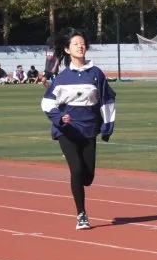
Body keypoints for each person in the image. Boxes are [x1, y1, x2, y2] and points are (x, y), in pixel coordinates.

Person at [41, 28, 116, 230]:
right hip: (67, 130)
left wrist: (108, 125)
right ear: (67, 49)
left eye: (82, 43)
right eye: (75, 44)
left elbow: (107, 100)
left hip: (89, 129)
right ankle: (81, 214)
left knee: (87, 177)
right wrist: (59, 117)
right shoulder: (62, 77)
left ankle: (80, 176)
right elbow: (47, 103)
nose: (80, 47)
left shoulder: (96, 74)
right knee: (76, 170)